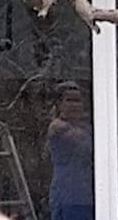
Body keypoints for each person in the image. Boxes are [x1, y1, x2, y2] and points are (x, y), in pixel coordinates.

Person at [44, 84, 95, 220]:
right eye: (69, 100)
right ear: (59, 104)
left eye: (77, 100)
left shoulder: (88, 127)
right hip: (68, 196)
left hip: (88, 196)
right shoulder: (57, 126)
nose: (74, 105)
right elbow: (87, 145)